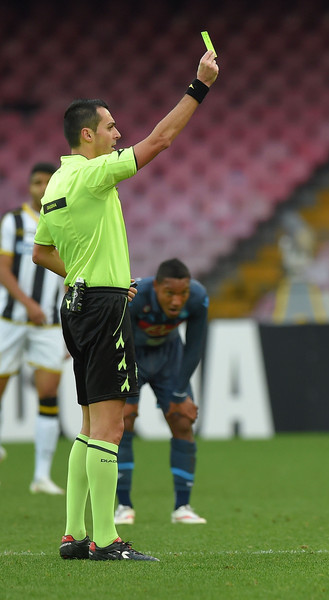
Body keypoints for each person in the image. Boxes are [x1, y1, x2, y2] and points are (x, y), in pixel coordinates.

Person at [32, 50, 218, 562]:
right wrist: (199, 86)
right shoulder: (93, 175)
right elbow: (160, 141)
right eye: (111, 127)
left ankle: (74, 536)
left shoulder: (56, 186)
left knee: (91, 426)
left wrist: (87, 276)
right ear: (87, 135)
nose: (119, 133)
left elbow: (41, 251)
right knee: (111, 428)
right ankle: (109, 540)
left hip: (77, 301)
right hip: (102, 306)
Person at [114, 258, 208, 526]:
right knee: (124, 421)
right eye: (170, 293)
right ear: (156, 287)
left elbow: (195, 346)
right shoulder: (133, 296)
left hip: (170, 356)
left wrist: (179, 394)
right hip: (131, 357)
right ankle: (124, 506)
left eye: (183, 293)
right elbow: (120, 342)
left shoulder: (198, 298)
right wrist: (129, 394)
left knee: (182, 420)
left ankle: (182, 507)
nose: (177, 301)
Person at [0, 162, 65, 495]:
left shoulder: (64, 220)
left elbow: (71, 274)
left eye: (48, 182)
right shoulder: (13, 221)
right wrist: (28, 303)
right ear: (29, 186)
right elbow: (3, 270)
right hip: (11, 318)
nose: (42, 188)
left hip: (50, 324)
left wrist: (71, 327)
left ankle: (41, 475)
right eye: (37, 182)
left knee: (49, 395)